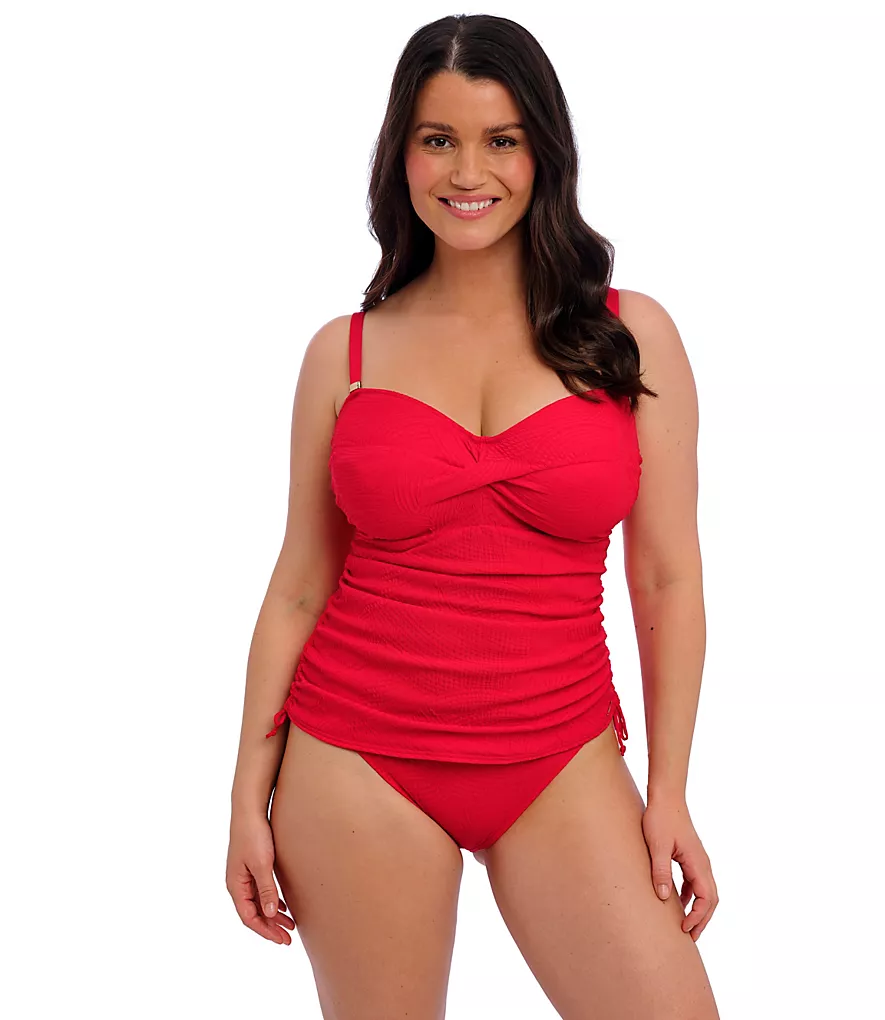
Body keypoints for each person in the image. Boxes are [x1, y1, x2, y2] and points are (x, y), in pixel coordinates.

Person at [227, 13, 720, 1019]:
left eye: (501, 139)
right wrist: (245, 793)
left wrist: (668, 789)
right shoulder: (343, 353)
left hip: (560, 754)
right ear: (399, 155)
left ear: (544, 152)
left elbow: (665, 576)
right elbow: (300, 586)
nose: (467, 171)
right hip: (354, 758)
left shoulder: (630, 337)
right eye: (436, 138)